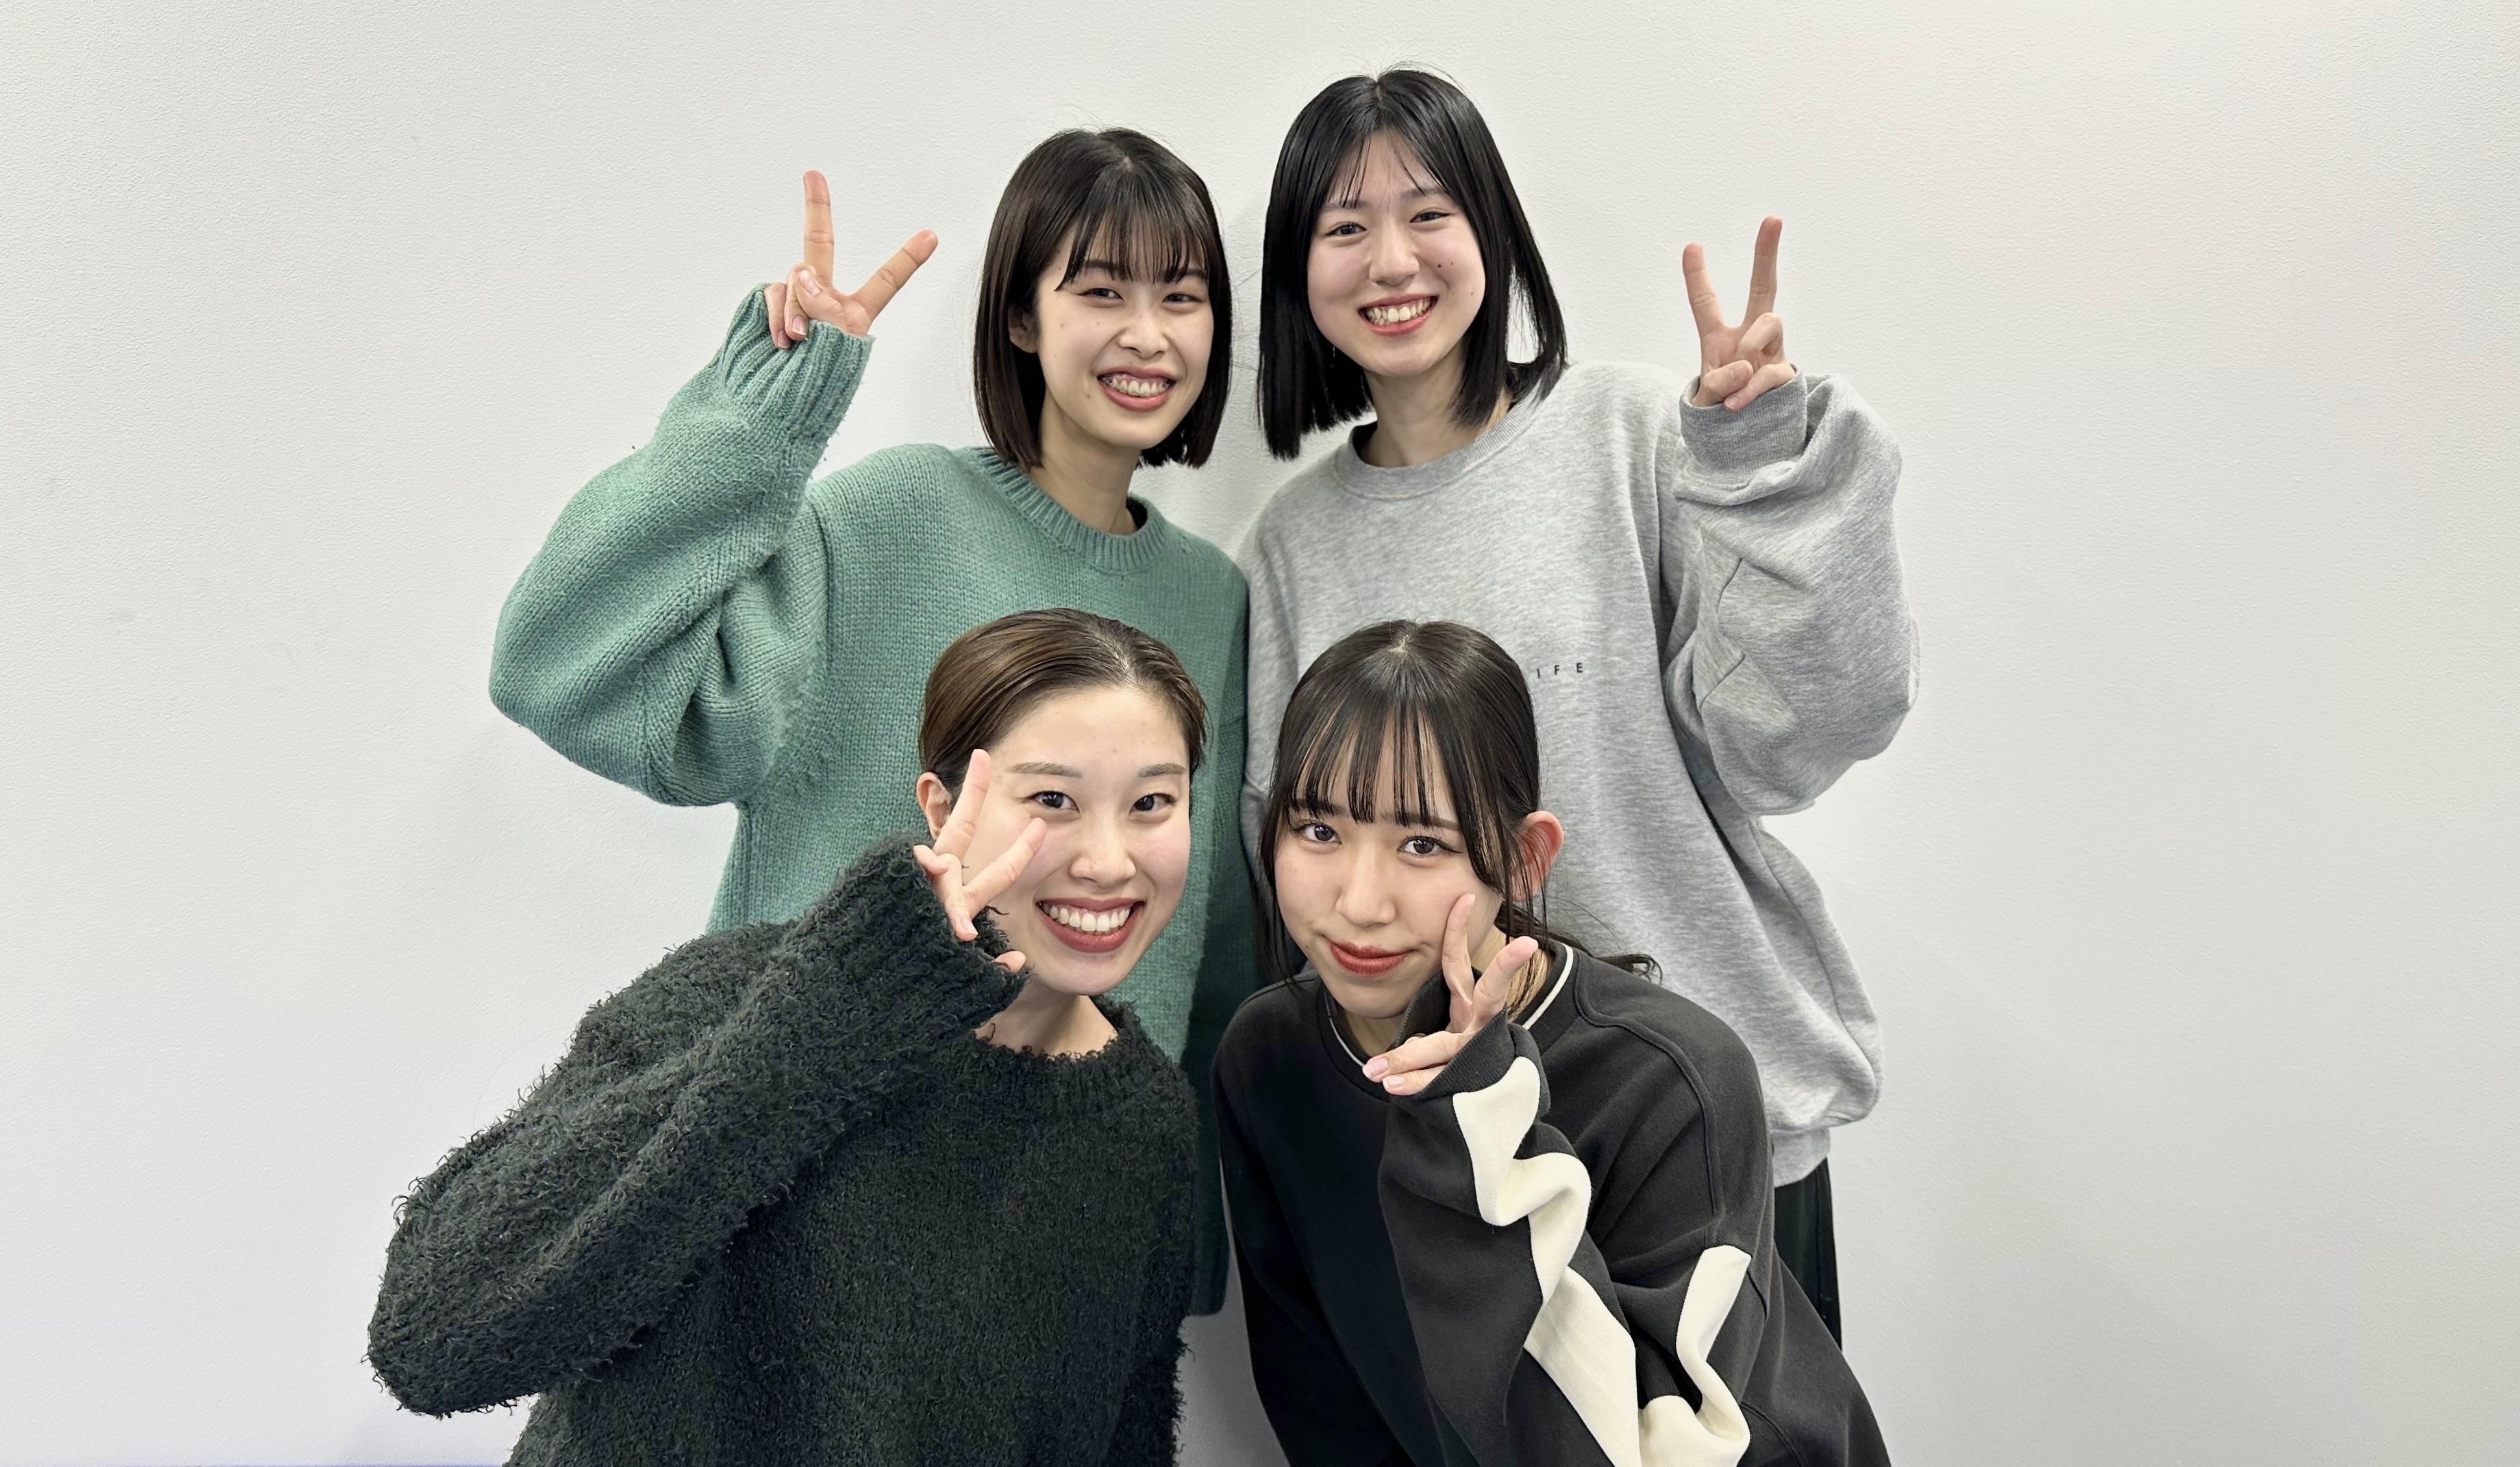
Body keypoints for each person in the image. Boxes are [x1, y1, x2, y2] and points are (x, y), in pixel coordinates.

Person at [486, 130, 1254, 1307]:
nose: (1147, 334)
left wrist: (1169, 1245)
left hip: (1061, 1235)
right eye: (1101, 292)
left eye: (1182, 297)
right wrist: (767, 414)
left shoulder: (1212, 599)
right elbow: (563, 672)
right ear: (1020, 317)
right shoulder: (888, 521)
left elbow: (1207, 935)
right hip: (810, 1206)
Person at [1240, 68, 1917, 1336]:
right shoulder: (1291, 544)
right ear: (1298, 268)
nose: (1391, 259)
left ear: (1492, 229)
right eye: (1344, 226)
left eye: (1427, 212)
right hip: (1461, 1157)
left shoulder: (1632, 433)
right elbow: (1287, 866)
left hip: (1707, 1120)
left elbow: (1800, 735)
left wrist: (1764, 473)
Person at [370, 608, 1208, 1464]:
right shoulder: (740, 995)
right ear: (941, 807)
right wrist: (838, 1016)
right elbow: (432, 1342)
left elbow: (1126, 1437)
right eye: (1052, 800)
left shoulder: (1148, 1120)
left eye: (1151, 803)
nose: (1108, 861)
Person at [1216, 620, 1888, 1466]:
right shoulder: (1268, 1058)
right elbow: (1326, 1409)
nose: (1359, 902)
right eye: (1318, 831)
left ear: (1523, 860)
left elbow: (1629, 1449)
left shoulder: (1670, 1079)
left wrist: (1474, 1127)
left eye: (1422, 844)